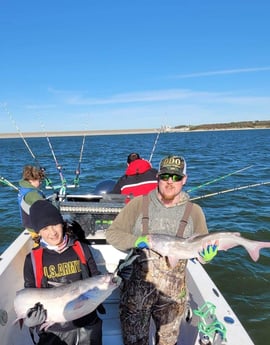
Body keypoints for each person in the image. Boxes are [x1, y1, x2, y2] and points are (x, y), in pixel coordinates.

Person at [106, 155, 218, 345]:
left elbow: (202, 251)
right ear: (158, 177)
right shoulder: (138, 204)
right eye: (165, 176)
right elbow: (112, 234)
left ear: (184, 179)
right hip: (136, 293)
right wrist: (136, 240)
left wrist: (207, 257)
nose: (169, 182)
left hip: (173, 296)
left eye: (175, 177)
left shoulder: (194, 211)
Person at [23, 199, 103, 345]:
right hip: (54, 331)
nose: (52, 232)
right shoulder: (32, 260)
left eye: (55, 225)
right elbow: (29, 293)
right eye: (45, 228)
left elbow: (95, 277)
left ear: (62, 224)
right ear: (38, 232)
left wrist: (116, 279)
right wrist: (30, 318)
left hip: (87, 323)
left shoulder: (81, 248)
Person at [18, 165, 46, 244]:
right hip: (35, 227)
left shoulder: (23, 189)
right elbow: (46, 208)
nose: (40, 183)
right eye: (39, 181)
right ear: (31, 180)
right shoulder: (32, 194)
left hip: (29, 225)